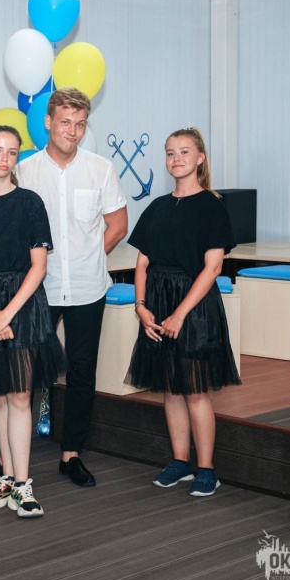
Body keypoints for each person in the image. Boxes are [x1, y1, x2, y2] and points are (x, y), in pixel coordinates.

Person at [14, 87, 127, 488]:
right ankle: (10, 458)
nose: (72, 131)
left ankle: (71, 453)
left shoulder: (101, 169)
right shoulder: (24, 172)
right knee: (24, 372)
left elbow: (118, 225)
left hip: (87, 287)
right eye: (65, 122)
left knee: (81, 371)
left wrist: (91, 255)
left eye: (80, 124)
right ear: (48, 122)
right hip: (38, 289)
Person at [0, 126, 66, 518]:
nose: (4, 158)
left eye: (12, 152)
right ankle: (5, 478)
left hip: (23, 306)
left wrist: (8, 313)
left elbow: (38, 267)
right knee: (0, 395)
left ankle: (23, 484)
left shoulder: (30, 203)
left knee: (21, 395)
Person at [126, 127, 240, 497]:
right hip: (157, 302)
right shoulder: (157, 207)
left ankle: (206, 469)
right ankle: (180, 461)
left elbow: (213, 268)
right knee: (170, 389)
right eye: (171, 152)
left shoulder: (213, 207)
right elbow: (141, 264)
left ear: (200, 158)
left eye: (185, 152)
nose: (177, 159)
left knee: (194, 390)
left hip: (194, 304)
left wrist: (179, 314)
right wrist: (141, 307)